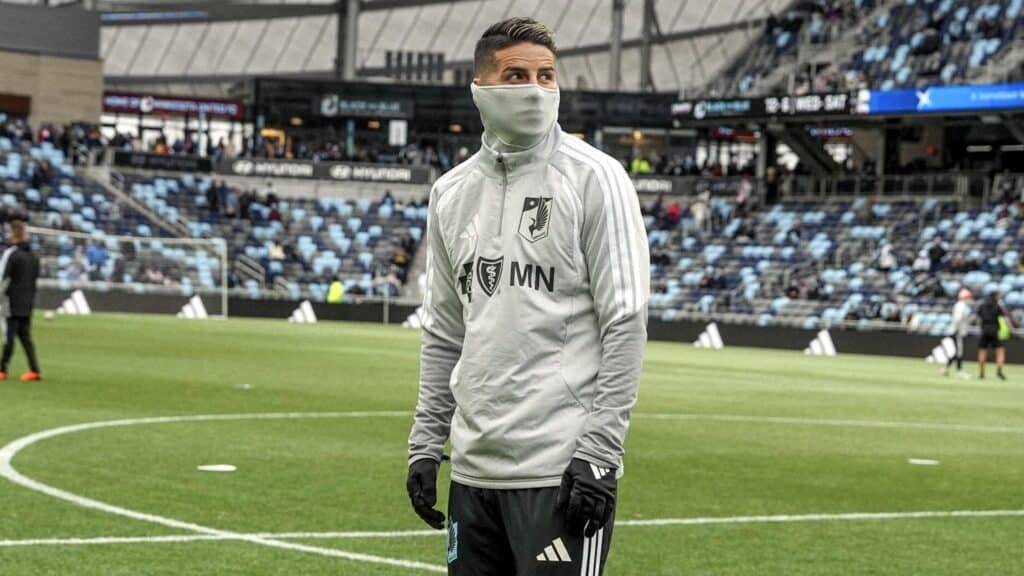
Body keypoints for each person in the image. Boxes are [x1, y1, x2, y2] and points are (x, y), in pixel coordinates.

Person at [406, 18, 649, 576]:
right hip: (473, 471)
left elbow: (625, 323)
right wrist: (426, 443)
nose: (536, 90)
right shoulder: (450, 193)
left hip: (561, 471)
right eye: (517, 75)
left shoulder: (597, 178)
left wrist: (600, 453)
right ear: (480, 87)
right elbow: (444, 332)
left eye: (546, 76)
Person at [0, 221, 41, 381]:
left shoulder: (12, 254)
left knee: (8, 336)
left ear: (13, 234)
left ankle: (2, 369)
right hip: (27, 302)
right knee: (25, 337)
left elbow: (4, 279)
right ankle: (34, 370)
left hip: (10, 302)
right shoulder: (33, 256)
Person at [976, 291, 1011, 380]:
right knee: (1000, 351)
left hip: (984, 331)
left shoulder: (982, 305)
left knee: (982, 351)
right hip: (994, 331)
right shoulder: (997, 306)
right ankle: (999, 371)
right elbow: (1003, 318)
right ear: (995, 296)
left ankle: (981, 373)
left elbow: (978, 316)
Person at [944, 288, 972, 379]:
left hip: (958, 331)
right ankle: (959, 371)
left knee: (957, 352)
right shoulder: (961, 306)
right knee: (959, 352)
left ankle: (946, 369)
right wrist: (956, 330)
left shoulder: (962, 305)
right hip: (957, 332)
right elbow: (958, 319)